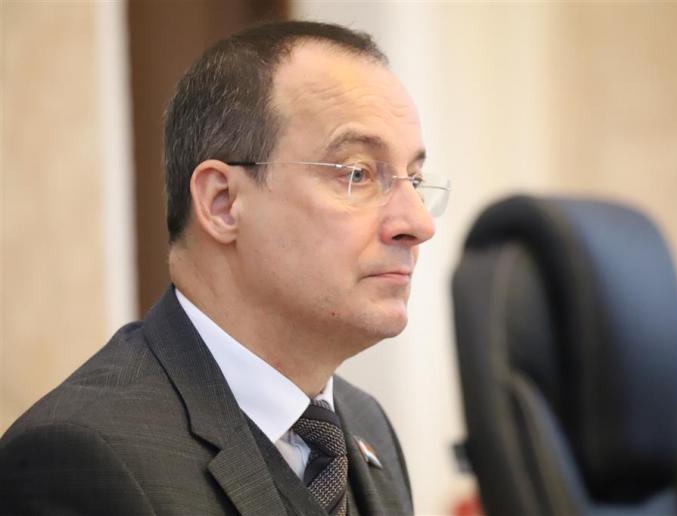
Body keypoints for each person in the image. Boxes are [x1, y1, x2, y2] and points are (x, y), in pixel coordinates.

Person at [0, 21, 450, 516]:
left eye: (414, 180)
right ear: (222, 203)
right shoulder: (80, 457)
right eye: (357, 173)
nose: (418, 223)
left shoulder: (365, 425)